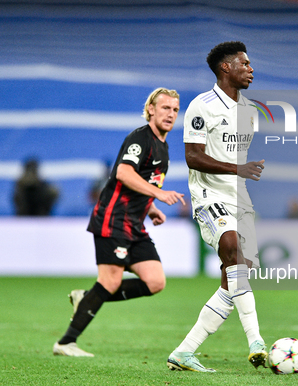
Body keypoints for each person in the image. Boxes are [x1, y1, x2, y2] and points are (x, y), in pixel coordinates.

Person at [52, 87, 186, 357]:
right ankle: (66, 343)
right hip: (112, 220)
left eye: (174, 110)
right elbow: (124, 173)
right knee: (110, 281)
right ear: (151, 109)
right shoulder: (140, 138)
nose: (170, 114)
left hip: (134, 224)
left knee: (155, 281)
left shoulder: (164, 146)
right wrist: (158, 194)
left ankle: (87, 297)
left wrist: (150, 209)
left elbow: (144, 182)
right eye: (164, 108)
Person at [166, 41, 267, 373]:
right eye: (245, 64)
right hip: (209, 196)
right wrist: (237, 169)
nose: (251, 69)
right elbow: (193, 156)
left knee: (234, 276)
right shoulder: (201, 105)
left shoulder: (250, 111)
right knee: (231, 250)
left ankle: (185, 351)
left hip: (240, 199)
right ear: (226, 68)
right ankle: (256, 341)